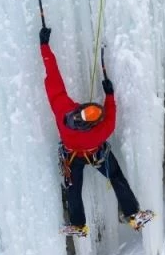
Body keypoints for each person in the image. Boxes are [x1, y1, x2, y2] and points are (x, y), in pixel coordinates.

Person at [39, 25, 152, 237]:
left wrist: (44, 45)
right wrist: (109, 95)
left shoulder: (62, 109)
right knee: (117, 178)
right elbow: (111, 118)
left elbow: (52, 75)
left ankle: (78, 225)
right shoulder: (101, 131)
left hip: (71, 156)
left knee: (73, 190)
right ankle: (133, 215)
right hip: (96, 154)